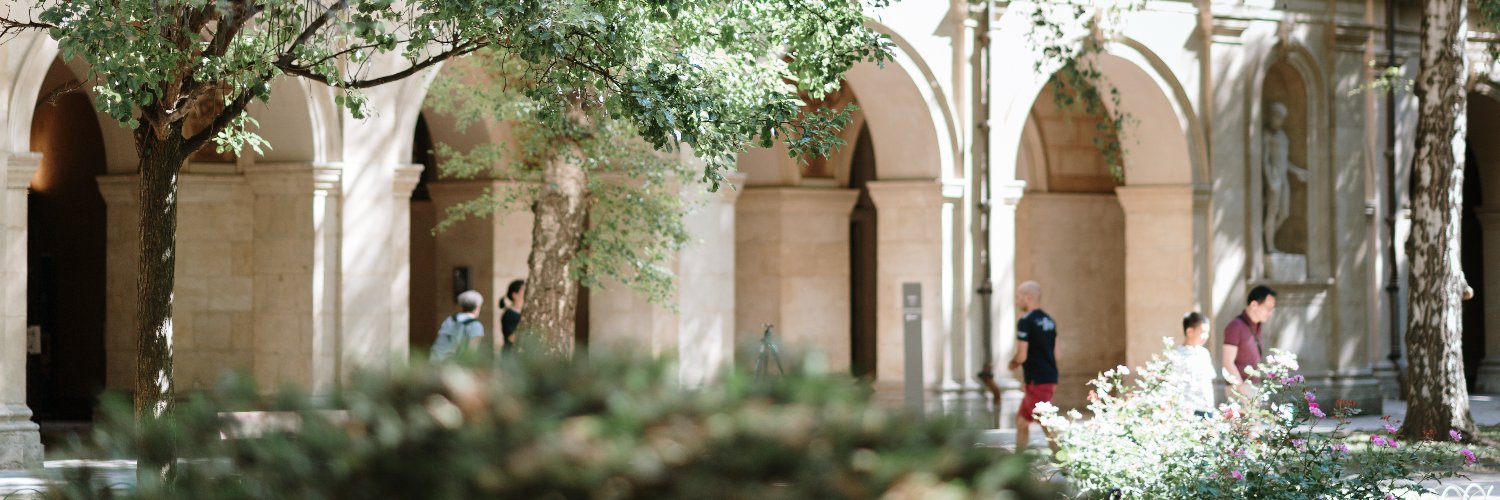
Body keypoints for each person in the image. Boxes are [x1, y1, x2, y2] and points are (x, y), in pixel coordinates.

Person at [1007, 281, 1057, 453]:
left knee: (1045, 421)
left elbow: (1022, 355)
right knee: (1021, 421)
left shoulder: (1025, 321)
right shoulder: (1049, 321)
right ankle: (1017, 462)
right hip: (1048, 375)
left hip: (1038, 379)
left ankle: (1063, 459)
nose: (1016, 301)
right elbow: (1056, 351)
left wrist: (1012, 363)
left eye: (1018, 297)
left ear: (1028, 297)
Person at [1263, 102, 1308, 254]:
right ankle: (1269, 246)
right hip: (1274, 177)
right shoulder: (1266, 136)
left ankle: (1266, 235)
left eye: (1281, 117)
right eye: (1275, 116)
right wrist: (1270, 182)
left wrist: (1297, 171)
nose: (1277, 120)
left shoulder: (1282, 136)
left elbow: (1284, 161)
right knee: (1272, 212)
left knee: (1284, 214)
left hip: (1284, 178)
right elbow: (1264, 160)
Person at [1223, 285, 1278, 399]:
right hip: (1239, 390)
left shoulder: (1257, 326)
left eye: (1272, 309)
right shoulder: (1235, 326)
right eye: (1268, 308)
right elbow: (1228, 363)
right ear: (1254, 305)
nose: (1270, 313)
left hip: (1253, 388)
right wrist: (1243, 390)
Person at [1171, 312, 1216, 416]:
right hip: (1189, 411)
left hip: (1207, 409)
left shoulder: (1204, 353)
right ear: (1189, 331)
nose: (1206, 336)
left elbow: (1208, 382)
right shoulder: (1177, 355)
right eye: (1203, 332)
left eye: (1207, 332)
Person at [431, 290, 485, 362]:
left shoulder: (450, 319)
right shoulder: (475, 325)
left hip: (437, 360)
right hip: (456, 366)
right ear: (478, 308)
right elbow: (471, 351)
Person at [499, 279, 525, 354]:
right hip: (511, 355)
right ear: (514, 295)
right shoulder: (509, 315)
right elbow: (511, 338)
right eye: (524, 290)